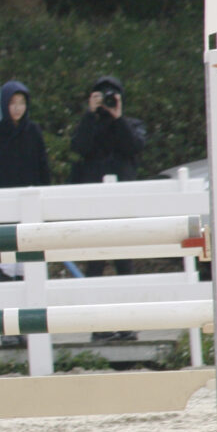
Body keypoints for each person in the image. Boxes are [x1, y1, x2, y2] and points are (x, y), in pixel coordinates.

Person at [71, 75, 150, 330]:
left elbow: (135, 146)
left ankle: (128, 325)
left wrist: (119, 118)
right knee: (94, 264)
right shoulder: (90, 126)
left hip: (123, 203)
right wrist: (89, 115)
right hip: (95, 204)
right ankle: (97, 326)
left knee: (124, 263)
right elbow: (78, 147)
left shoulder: (131, 125)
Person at [0, 81, 51, 190]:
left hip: (30, 194)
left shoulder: (33, 131)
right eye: (12, 103)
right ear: (5, 104)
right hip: (2, 194)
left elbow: (43, 167)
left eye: (22, 103)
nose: (17, 108)